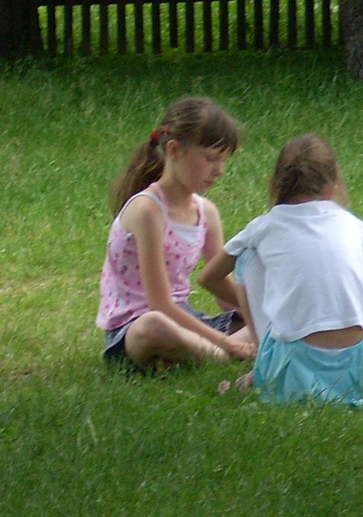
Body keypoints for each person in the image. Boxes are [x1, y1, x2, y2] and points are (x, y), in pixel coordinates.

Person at [201, 133, 363, 407]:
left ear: (273, 186)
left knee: (247, 257)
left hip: (293, 371)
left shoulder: (263, 227)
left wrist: (270, 305)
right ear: (332, 189)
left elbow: (209, 277)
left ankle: (265, 366)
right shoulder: (353, 224)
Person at [97, 96, 255, 371]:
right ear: (173, 150)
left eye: (223, 161)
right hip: (136, 326)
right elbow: (159, 304)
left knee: (268, 317)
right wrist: (225, 341)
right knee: (153, 328)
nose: (219, 171)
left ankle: (199, 352)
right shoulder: (147, 211)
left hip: (184, 318)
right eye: (210, 159)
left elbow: (221, 288)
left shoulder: (206, 212)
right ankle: (221, 353)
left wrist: (264, 311)